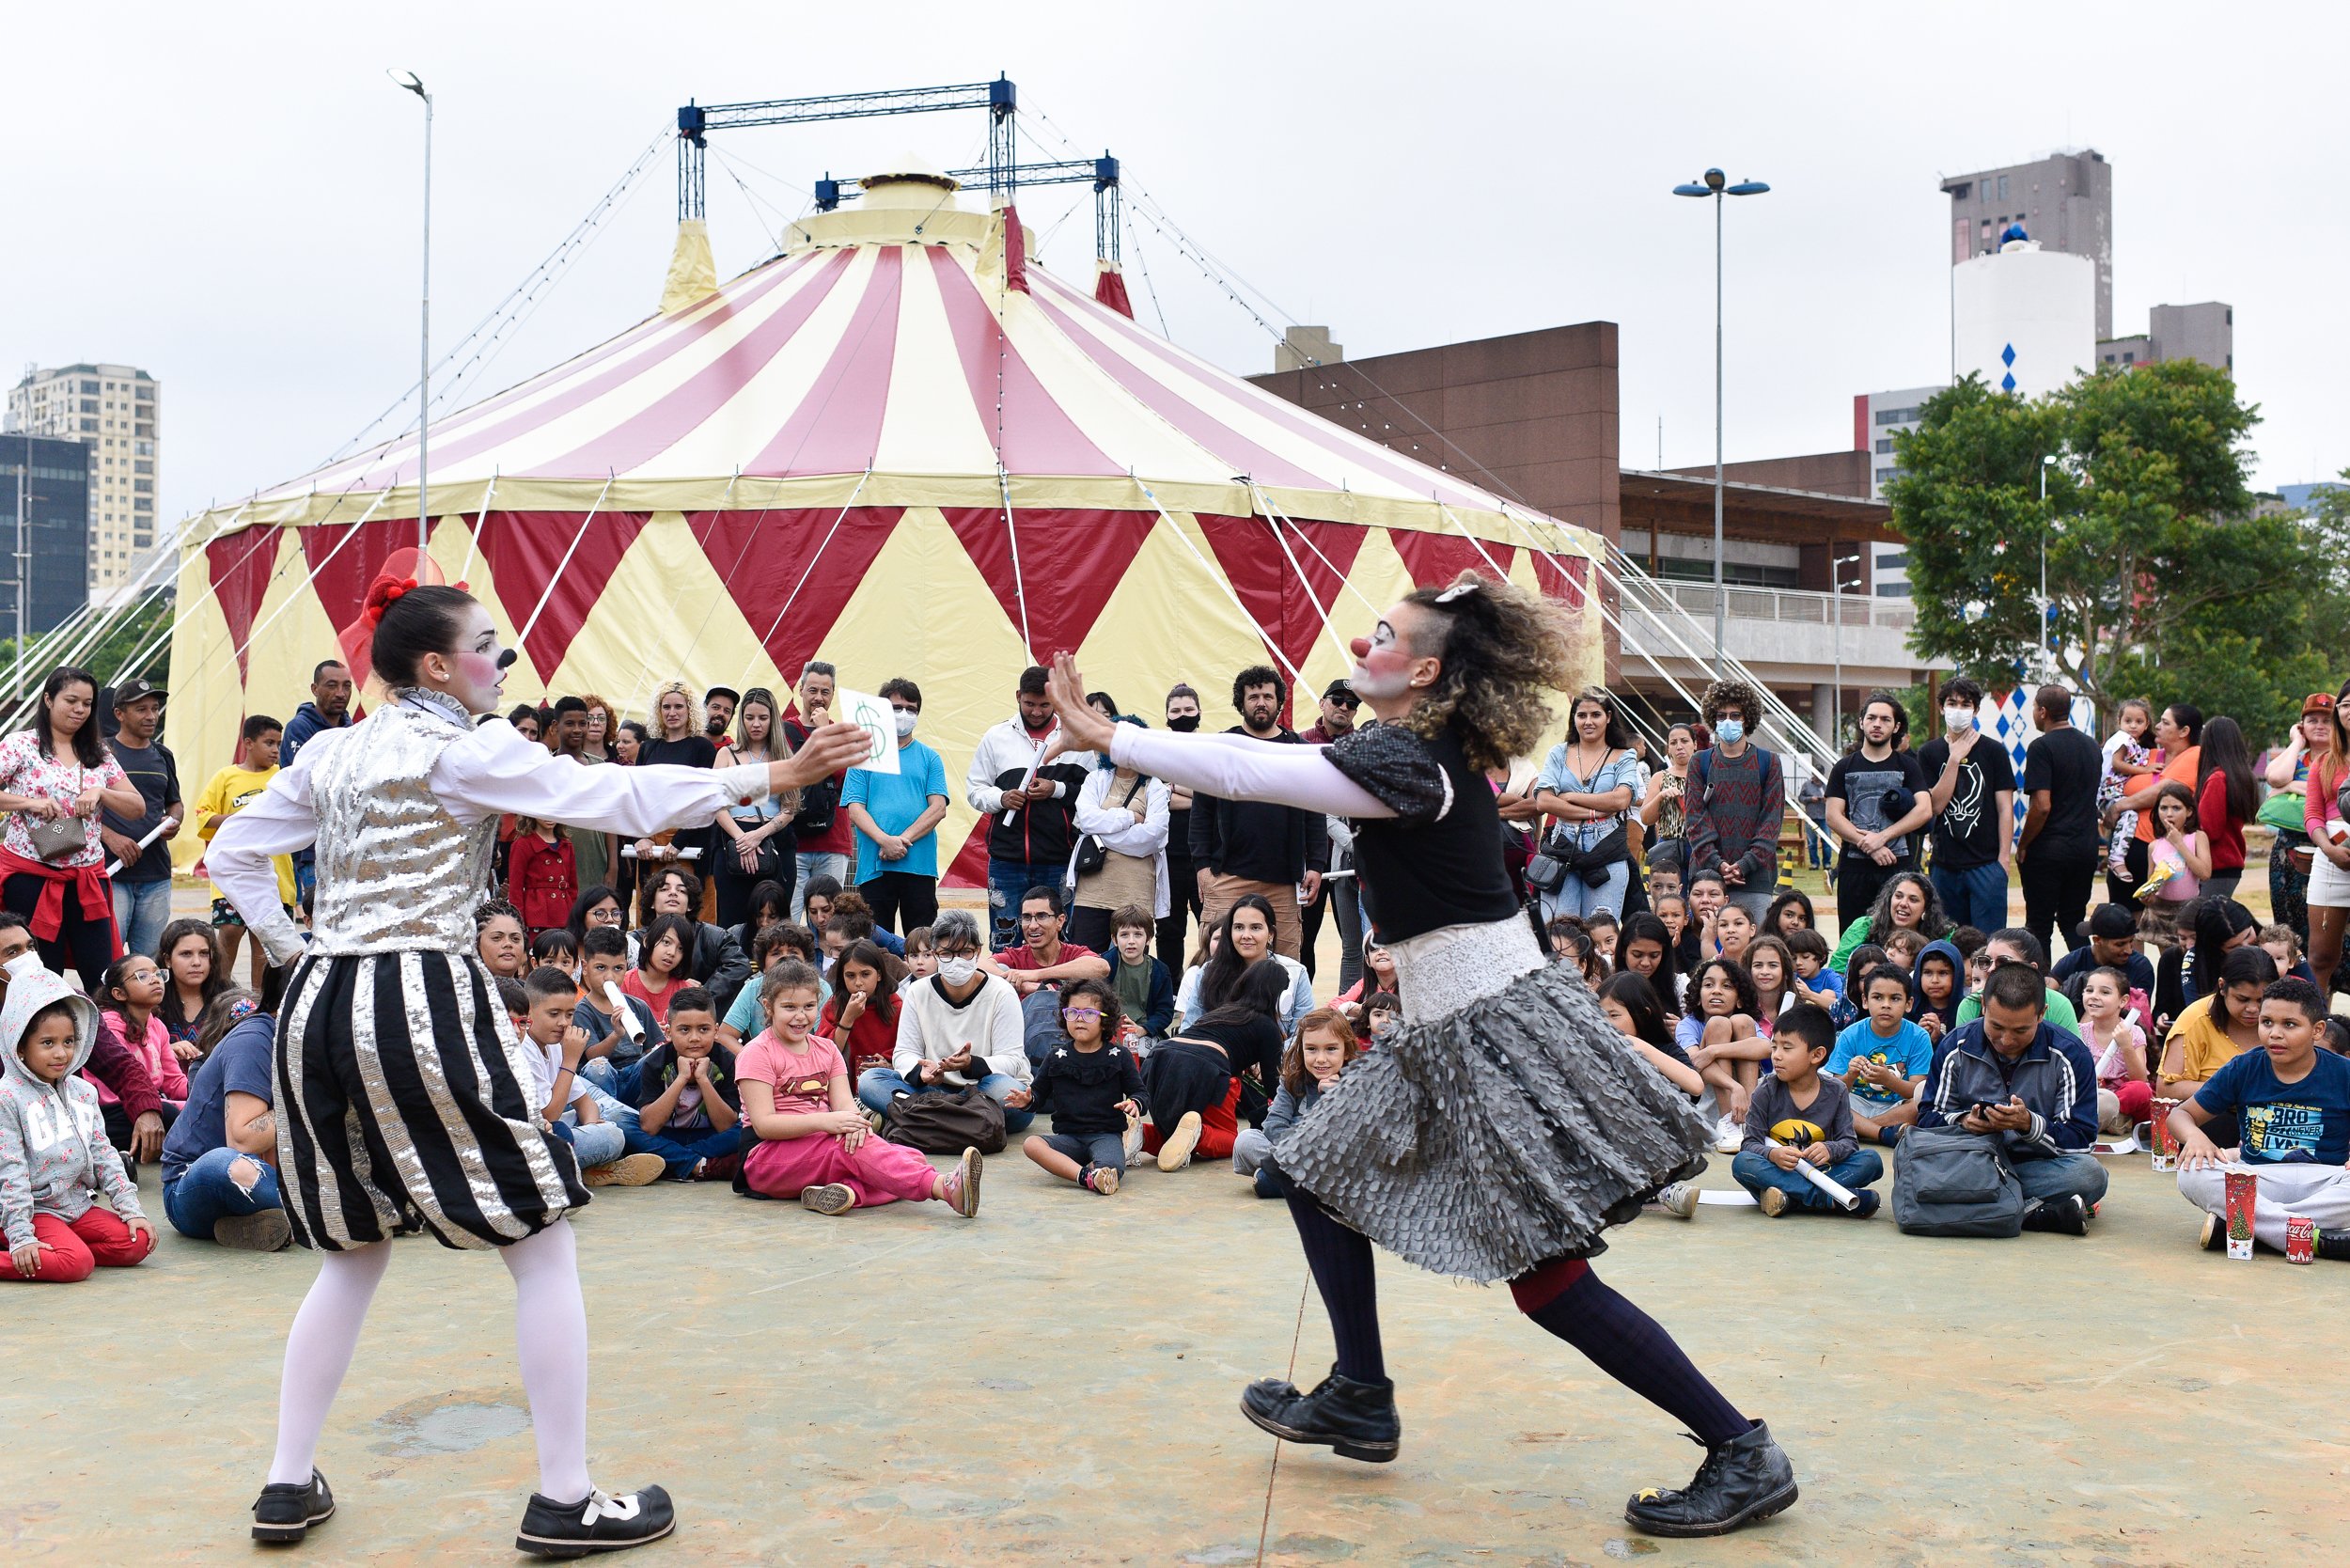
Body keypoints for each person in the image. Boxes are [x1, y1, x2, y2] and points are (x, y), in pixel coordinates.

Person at [1037, 572, 1788, 1539]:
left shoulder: (1411, 763)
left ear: (1425, 670)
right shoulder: (1425, 751)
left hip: (1490, 1037)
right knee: (1315, 1172)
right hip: (1452, 1029)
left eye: (1382, 635)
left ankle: (1740, 1448)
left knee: (1548, 1285)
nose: (1360, 645)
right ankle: (1358, 1391)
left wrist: (1114, 739)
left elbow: (1249, 769)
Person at [208, 578, 869, 1554]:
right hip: (420, 993)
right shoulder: (468, 749)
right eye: (488, 647)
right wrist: (772, 777)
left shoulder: (331, 750)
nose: (502, 664)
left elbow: (229, 854)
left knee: (351, 1252)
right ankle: (565, 1497)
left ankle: (284, 1483)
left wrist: (299, 948)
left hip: (318, 1004)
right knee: (541, 1239)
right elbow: (613, 792)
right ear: (439, 665)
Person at [737, 960, 981, 1215]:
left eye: (809, 1006)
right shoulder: (758, 1053)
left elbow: (845, 1106)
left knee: (909, 1157)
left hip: (821, 1145)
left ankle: (850, 1193)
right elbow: (764, 1124)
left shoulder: (827, 1049)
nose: (801, 1016)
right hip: (765, 1158)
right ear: (768, 1006)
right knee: (865, 1155)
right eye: (789, 1007)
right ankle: (944, 1188)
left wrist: (854, 1126)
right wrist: (828, 1122)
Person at [1915, 962, 2108, 1235]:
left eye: (2020, 1031)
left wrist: (2029, 1125)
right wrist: (1963, 1122)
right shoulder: (1955, 1046)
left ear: (2042, 1014)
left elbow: (2081, 1140)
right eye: (1996, 1026)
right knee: (1916, 1164)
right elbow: (1926, 1119)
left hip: (2033, 1167)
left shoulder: (2071, 1054)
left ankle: (1970, 1205)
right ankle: (2034, 1214)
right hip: (1968, 1161)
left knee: (2089, 1176)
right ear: (1983, 1006)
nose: (2005, 1040)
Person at [2170, 977, 2350, 1256]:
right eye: (2267, 1022)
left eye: (2289, 1025)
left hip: (2326, 1181)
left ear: (2317, 1030)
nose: (2274, 1033)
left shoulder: (2344, 1072)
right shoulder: (2244, 1067)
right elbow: (2179, 1115)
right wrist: (2195, 1137)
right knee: (2190, 1172)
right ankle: (2310, 1236)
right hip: (2257, 1179)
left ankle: (2246, 1223)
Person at [0, 961, 155, 1281]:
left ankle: (57, 1250)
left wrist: (131, 1210)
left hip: (75, 1206)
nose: (61, 1053)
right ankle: (31, 1249)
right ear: (20, 1047)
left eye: (68, 1041)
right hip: (34, 1211)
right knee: (76, 1264)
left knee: (137, 1242)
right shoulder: (8, 1097)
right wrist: (21, 1235)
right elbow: (10, 1170)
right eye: (48, 1043)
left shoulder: (82, 1092)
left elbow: (103, 1152)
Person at [0, 666, 143, 994]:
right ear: (48, 699)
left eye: (88, 703)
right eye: (71, 700)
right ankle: (39, 1042)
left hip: (86, 881)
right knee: (39, 976)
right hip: (32, 879)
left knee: (102, 976)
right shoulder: (21, 745)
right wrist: (27, 803)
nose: (80, 710)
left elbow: (137, 807)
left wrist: (102, 793)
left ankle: (103, 1041)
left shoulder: (99, 752)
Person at [1188, 666, 1328, 959]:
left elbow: (1315, 811)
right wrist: (1202, 866)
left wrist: (1315, 864)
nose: (1261, 702)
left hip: (1283, 881)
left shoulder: (1298, 750)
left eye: (1268, 696)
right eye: (1253, 697)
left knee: (1285, 967)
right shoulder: (1222, 748)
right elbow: (1201, 812)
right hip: (1227, 876)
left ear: (1279, 702)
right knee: (1217, 963)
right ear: (1242, 702)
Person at [863, 910, 1034, 1133]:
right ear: (935, 953)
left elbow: (1012, 1060)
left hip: (984, 1090)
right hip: (935, 1091)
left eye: (965, 952)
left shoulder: (1002, 992)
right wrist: (921, 1073)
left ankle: (922, 1118)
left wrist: (972, 1064)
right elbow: (904, 1053)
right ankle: (962, 1122)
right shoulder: (918, 992)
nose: (956, 961)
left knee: (1007, 1091)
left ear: (978, 952)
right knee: (870, 1081)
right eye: (946, 954)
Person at [967, 666, 1095, 948]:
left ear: (1055, 700)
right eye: (1029, 704)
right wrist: (1001, 799)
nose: (1037, 712)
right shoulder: (996, 737)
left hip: (1059, 859)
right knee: (1006, 939)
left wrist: (1057, 789)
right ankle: (1010, 993)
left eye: (1044, 705)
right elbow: (974, 789)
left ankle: (1057, 990)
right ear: (1017, 697)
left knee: (1060, 941)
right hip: (1006, 860)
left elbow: (1094, 794)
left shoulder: (1075, 739)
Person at [159, 990, 290, 1249]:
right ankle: (324, 1213)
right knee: (225, 1164)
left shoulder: (286, 1055)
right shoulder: (247, 1045)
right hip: (195, 1186)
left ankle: (257, 1224)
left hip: (265, 1186)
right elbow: (242, 1141)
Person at [1733, 1003, 1884, 1218]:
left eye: (1787, 1048)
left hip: (1824, 1172)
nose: (1776, 1055)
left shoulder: (1836, 1091)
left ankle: (1787, 1200)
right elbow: (1749, 1144)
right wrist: (1773, 1154)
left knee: (1871, 1161)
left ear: (1817, 1055)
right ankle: (1830, 1199)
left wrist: (1830, 1149)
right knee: (1742, 1163)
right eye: (1774, 1047)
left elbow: (1849, 1143)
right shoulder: (1764, 1091)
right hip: (1778, 1172)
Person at [519, 966, 662, 1188]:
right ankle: (590, 1168)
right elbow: (549, 1115)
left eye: (569, 1014)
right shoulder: (524, 1048)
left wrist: (592, 1125)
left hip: (561, 1128)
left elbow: (585, 1101)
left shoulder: (555, 1044)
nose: (564, 1023)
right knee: (611, 1136)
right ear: (529, 1012)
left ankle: (590, 1169)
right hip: (534, 1139)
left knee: (611, 1131)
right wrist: (570, 1061)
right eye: (554, 1014)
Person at [1143, 957, 1289, 1171]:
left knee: (1172, 1132)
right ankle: (1199, 1133)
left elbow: (1240, 1080)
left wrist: (1253, 1111)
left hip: (1159, 1058)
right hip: (1205, 1066)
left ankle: (1140, 1135)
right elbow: (1272, 1084)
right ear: (1280, 996)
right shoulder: (1267, 1027)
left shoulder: (1222, 1012)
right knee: (1231, 1140)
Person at [838, 678, 948, 935]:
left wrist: (901, 841)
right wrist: (884, 840)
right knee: (874, 943)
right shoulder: (863, 755)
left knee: (921, 942)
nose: (904, 714)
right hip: (874, 867)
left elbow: (938, 808)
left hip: (919, 867)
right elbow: (855, 809)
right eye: (897, 707)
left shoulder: (930, 757)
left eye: (912, 709)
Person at [1021, 977, 1145, 1196]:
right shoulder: (1057, 1056)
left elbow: (1140, 1092)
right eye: (1072, 1012)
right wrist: (1027, 1101)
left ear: (1105, 1021)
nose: (1079, 1019)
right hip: (1068, 1137)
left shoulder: (1118, 1056)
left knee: (1113, 1167)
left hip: (1105, 1135)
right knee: (1031, 1144)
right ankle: (1086, 1176)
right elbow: (1038, 1094)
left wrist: (1135, 1103)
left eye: (1089, 1013)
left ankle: (1085, 1171)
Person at [1529, 687, 1642, 921]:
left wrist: (1569, 797)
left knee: (1601, 933)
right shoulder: (1558, 753)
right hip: (1562, 845)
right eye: (1581, 715)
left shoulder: (1624, 755)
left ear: (1608, 717)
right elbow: (1543, 801)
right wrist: (1596, 809)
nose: (1588, 721)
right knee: (1560, 932)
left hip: (1606, 846)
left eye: (1595, 715)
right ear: (1574, 719)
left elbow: (1621, 799)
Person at [1823, 692, 1932, 930]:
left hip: (1898, 867)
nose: (1877, 724)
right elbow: (1833, 815)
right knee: (1853, 939)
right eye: (1871, 718)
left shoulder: (1908, 766)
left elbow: (1924, 810)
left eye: (1885, 719)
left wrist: (1882, 838)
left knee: (1899, 939)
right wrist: (1870, 846)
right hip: (1854, 869)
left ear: (1896, 727)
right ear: (1862, 722)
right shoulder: (1843, 767)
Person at [1915, 678, 2015, 933]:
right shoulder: (1929, 753)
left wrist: (2003, 861)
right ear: (1941, 707)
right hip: (1944, 865)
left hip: (1986, 865)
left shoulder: (1994, 751)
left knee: (1988, 943)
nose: (1958, 710)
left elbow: (2005, 808)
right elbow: (1935, 805)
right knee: (1947, 941)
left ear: (1976, 710)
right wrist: (1955, 758)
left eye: (1965, 704)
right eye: (1952, 703)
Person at [197, 713, 290, 990]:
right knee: (229, 929)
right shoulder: (226, 777)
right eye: (269, 743)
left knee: (264, 938)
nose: (275, 750)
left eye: (278, 744)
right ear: (248, 743)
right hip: (233, 875)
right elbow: (203, 816)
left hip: (274, 877)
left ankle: (260, 1001)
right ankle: (219, 997)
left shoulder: (283, 778)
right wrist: (241, 820)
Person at [1232, 1008, 1363, 1199]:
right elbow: (1273, 1126)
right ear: (1301, 1050)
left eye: (1331, 1049)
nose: (1320, 1059)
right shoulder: (1291, 1081)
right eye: (1311, 1049)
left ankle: (1283, 1179)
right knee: (1246, 1140)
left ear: (1346, 1051)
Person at [2015, 683, 2105, 962]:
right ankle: (2087, 980)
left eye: (2034, 708)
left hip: (2050, 850)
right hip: (2086, 847)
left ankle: (2042, 988)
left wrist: (2023, 844)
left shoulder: (2041, 747)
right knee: (2073, 921)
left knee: (2039, 925)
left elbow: (2042, 806)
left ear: (2042, 711)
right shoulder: (2091, 745)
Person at [1066, 719, 1171, 954]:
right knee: (1085, 965)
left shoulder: (1154, 785)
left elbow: (1153, 837)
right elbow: (1087, 819)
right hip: (1092, 895)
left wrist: (1101, 833)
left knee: (1132, 970)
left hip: (1135, 895)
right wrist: (1131, 818)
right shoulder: (1095, 779)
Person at [1684, 678, 1784, 922]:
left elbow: (1771, 822)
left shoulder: (1768, 762)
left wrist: (1744, 864)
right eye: (1721, 715)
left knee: (1752, 952)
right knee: (1705, 952)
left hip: (1756, 879)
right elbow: (1695, 820)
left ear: (1747, 718)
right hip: (1707, 880)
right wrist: (1718, 864)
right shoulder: (1699, 762)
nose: (1728, 721)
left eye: (1735, 715)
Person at [623, 985, 744, 1182]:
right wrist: (681, 1079)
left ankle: (676, 1160)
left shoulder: (727, 1061)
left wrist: (704, 1080)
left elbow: (726, 1126)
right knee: (624, 1127)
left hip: (710, 1138)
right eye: (684, 1030)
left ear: (716, 1031)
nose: (694, 1038)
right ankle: (700, 1165)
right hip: (666, 1135)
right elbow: (649, 1127)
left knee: (750, 1127)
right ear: (669, 1033)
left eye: (704, 1029)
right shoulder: (655, 1062)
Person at [100, 678, 182, 961]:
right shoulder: (100, 754)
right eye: (141, 709)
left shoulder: (162, 755)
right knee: (110, 960)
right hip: (111, 874)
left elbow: (174, 802)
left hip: (156, 875)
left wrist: (173, 820)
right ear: (119, 714)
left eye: (155, 708)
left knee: (148, 960)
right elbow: (76, 808)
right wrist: (111, 837)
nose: (151, 716)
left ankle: (146, 1008)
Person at [2154, 946, 2279, 1118]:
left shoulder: (2284, 1018)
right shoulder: (2196, 1019)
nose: (2252, 1009)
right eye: (2242, 999)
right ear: (2222, 987)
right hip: (2214, 1121)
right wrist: (2231, 1091)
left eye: (2262, 1000)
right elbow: (2166, 1088)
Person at [1298, 680, 1367, 988]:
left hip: (1349, 860)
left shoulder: (1364, 745)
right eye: (1338, 700)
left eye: (1352, 704)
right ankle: (1299, 1013)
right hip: (1306, 856)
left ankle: (1353, 1014)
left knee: (1358, 944)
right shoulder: (1299, 743)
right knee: (1301, 940)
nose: (1344, 707)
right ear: (1322, 703)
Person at [712, 687, 796, 932]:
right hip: (732, 841)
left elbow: (789, 808)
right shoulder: (726, 754)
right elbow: (716, 804)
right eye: (749, 718)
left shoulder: (784, 756)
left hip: (775, 842)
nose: (756, 724)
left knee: (776, 923)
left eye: (763, 717)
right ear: (741, 719)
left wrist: (759, 836)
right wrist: (742, 838)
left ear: (773, 719)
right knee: (732, 922)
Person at [1174, 894, 1316, 1037]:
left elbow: (1300, 1038)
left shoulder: (1297, 973)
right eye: (1239, 927)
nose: (1246, 935)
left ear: (1271, 934)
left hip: (1277, 1057)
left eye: (1255, 928)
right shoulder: (1208, 972)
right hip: (1216, 1056)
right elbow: (1190, 1031)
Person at [780, 662, 854, 924]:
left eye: (825, 691)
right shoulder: (783, 732)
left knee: (829, 922)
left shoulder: (843, 734)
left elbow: (846, 779)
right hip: (793, 842)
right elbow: (789, 774)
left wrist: (824, 732)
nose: (818, 698)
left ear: (833, 694)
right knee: (788, 919)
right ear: (800, 690)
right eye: (812, 690)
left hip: (833, 841)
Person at [2105, 702, 2204, 898]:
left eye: (2165, 723)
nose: (2157, 726)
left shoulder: (2194, 755)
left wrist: (2119, 806)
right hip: (2125, 844)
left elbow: (2163, 791)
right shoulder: (2148, 755)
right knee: (2119, 912)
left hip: (2156, 846)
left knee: (2147, 913)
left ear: (2184, 731)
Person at [2262, 693, 2335, 949]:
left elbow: (2332, 793)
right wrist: (2295, 743)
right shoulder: (2297, 759)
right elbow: (2274, 778)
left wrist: (2290, 787)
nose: (2320, 726)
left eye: (2327, 720)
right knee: (2289, 926)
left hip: (2330, 847)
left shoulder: (2342, 758)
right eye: (2312, 720)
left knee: (2330, 926)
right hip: (2289, 851)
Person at [1829, 966, 1934, 1145]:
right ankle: (1881, 1133)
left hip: (1897, 1107)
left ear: (1908, 1004)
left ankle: (1859, 1130)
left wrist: (1888, 1080)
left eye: (1895, 998)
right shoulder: (1850, 1035)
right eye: (1878, 997)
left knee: (1920, 1105)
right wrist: (1851, 1075)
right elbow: (1837, 1090)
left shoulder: (1919, 1037)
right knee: (1830, 1103)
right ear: (1865, 1000)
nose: (1886, 1005)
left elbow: (1917, 1090)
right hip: (1857, 1104)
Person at [281, 660, 354, 905]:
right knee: (321, 917)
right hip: (312, 848)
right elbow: (308, 786)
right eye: (331, 685)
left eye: (347, 686)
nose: (341, 693)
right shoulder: (299, 728)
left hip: (348, 844)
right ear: (314, 689)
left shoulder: (352, 729)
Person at [634, 866, 751, 1013]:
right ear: (652, 902)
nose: (672, 893)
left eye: (681, 890)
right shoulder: (635, 940)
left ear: (690, 905)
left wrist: (700, 994)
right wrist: (675, 984)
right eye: (664, 889)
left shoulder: (715, 936)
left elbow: (740, 965)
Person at [1156, 684, 1207, 978]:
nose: (1182, 715)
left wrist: (1174, 787)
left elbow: (1215, 795)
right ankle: (1171, 991)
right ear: (1166, 715)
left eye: (1188, 710)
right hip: (1167, 855)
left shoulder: (1210, 749)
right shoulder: (1158, 753)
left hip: (1205, 856)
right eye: (1176, 711)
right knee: (1169, 929)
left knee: (1210, 927)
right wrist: (1197, 795)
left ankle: (1207, 987)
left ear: (1199, 713)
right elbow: (1156, 798)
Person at [2304, 689, 2350, 1000]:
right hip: (2331, 858)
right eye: (2346, 705)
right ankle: (2316, 1034)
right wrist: (2330, 849)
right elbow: (2312, 815)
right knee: (2320, 958)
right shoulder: (2323, 762)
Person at [99, 951, 186, 1115]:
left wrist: (205, 1091)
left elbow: (173, 1081)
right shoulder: (108, 1029)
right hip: (116, 1110)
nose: (155, 979)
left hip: (151, 1102)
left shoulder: (157, 1026)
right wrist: (187, 1108)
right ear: (119, 993)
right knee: (172, 1112)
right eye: (142, 976)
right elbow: (113, 1097)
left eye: (157, 973)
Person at [1952, 930, 2081, 1032]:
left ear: (2032, 969)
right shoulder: (1971, 1005)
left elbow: (2073, 1057)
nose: (1990, 969)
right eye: (1986, 961)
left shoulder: (2058, 1005)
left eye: (2003, 962)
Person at [2075, 966, 2153, 1136]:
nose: (2094, 996)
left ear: (2123, 1001)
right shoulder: (2079, 1032)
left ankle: (2114, 1118)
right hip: (2095, 1096)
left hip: (2123, 1099)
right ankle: (2113, 1122)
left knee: (2141, 1091)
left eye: (2105, 992)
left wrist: (2126, 1047)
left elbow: (2140, 1079)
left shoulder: (2134, 1032)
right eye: (2089, 990)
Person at [819, 939, 905, 1090]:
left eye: (865, 974)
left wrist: (889, 1065)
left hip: (884, 1086)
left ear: (878, 975)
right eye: (850, 976)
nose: (858, 982)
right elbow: (824, 1056)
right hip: (840, 1088)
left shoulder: (896, 1007)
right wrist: (848, 1018)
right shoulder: (834, 1006)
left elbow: (908, 1052)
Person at [1828, 870, 1949, 976]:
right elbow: (1837, 972)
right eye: (1898, 896)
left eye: (1913, 899)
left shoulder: (1940, 936)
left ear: (1926, 908)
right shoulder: (1863, 927)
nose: (1903, 903)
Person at [2098, 698, 2157, 900]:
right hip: (2109, 792)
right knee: (2130, 813)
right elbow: (2117, 764)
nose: (2133, 725)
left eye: (2139, 721)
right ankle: (2116, 857)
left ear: (2147, 724)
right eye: (2128, 720)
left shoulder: (2138, 745)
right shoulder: (2122, 739)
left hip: (2117, 792)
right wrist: (2145, 769)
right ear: (2119, 721)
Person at [2193, 715, 2257, 902]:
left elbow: (2209, 829)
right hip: (2229, 862)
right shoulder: (2239, 776)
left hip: (2216, 864)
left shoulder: (2217, 779)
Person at [1637, 720, 1708, 878]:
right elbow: (1646, 818)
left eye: (1684, 741)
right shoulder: (1660, 777)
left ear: (1694, 744)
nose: (1679, 746)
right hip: (1669, 846)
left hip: (1701, 846)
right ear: (1668, 748)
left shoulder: (1706, 774)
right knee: (1669, 897)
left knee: (1700, 896)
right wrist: (1661, 797)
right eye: (1673, 743)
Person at [2051, 903, 2155, 999]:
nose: (2128, 950)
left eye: (2131, 941)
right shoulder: (2073, 961)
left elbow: (2139, 1012)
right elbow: (2047, 992)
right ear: (2097, 940)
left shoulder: (2141, 967)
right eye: (2120, 944)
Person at [1105, 903, 1175, 1042]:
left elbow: (1165, 1012)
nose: (1131, 941)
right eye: (1124, 935)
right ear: (1115, 939)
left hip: (1143, 1030)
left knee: (1144, 1056)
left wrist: (1143, 1029)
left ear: (1148, 939)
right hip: (1107, 1030)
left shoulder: (1160, 971)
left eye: (1138, 935)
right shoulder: (1105, 964)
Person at [157, 917, 227, 1054]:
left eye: (204, 953)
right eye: (186, 954)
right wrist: (166, 1052)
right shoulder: (152, 1000)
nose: (196, 962)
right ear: (167, 960)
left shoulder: (228, 1000)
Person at [505, 814, 577, 942]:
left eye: (554, 812)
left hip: (563, 913)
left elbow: (572, 886)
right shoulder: (523, 844)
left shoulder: (567, 845)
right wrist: (518, 921)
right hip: (536, 915)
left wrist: (573, 914)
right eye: (544, 812)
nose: (549, 817)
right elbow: (515, 888)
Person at [624, 913, 697, 1027]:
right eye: (666, 942)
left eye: (680, 948)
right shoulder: (623, 984)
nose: (672, 953)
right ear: (647, 941)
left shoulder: (686, 991)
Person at [476, 901, 529, 980]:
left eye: (515, 939)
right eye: (497, 938)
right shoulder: (460, 991)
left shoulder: (534, 992)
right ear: (476, 944)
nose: (508, 944)